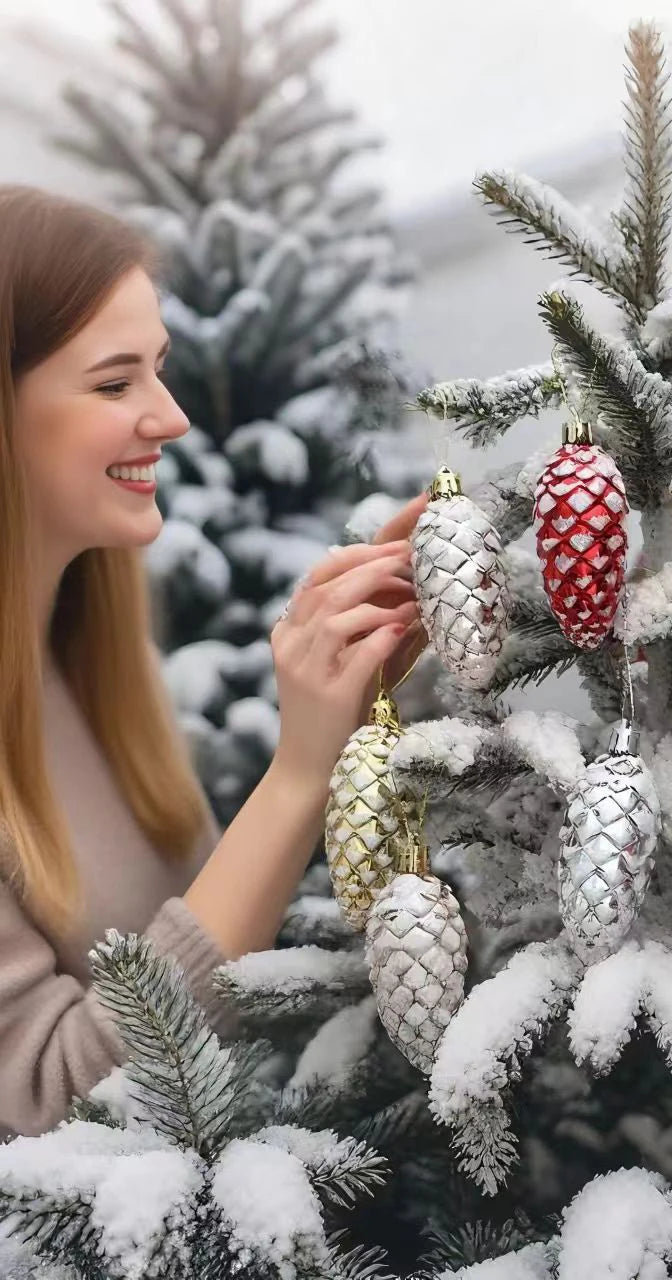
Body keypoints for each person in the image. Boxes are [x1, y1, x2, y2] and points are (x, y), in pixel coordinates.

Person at [0, 185, 428, 1136]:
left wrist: (364, 689)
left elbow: (212, 955)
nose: (171, 418)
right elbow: (56, 1109)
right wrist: (298, 772)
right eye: (116, 384)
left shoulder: (86, 660)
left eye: (160, 370)